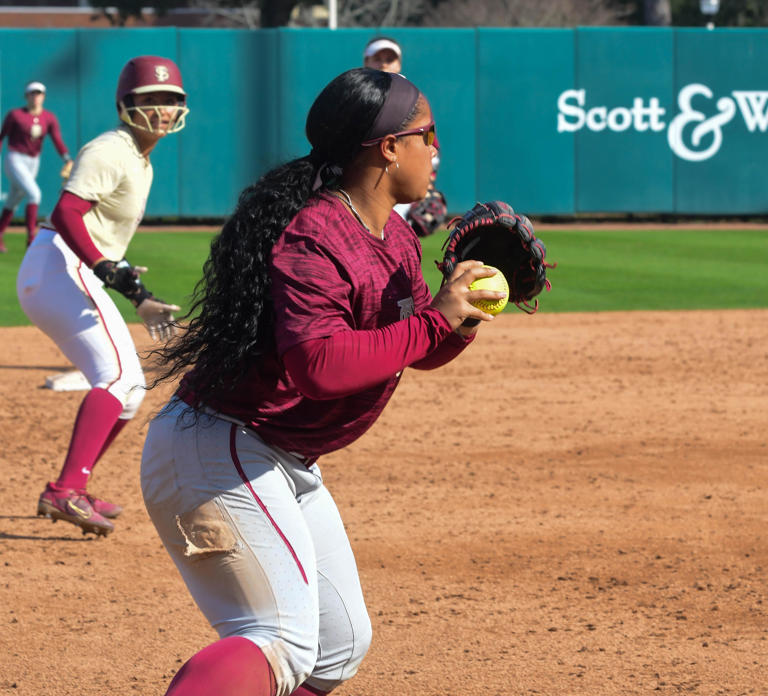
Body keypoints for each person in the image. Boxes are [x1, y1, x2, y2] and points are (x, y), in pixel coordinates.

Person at [140, 67, 506, 696]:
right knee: (281, 638)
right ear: (388, 148)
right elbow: (321, 367)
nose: (437, 150)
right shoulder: (314, 235)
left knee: (338, 647)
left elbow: (415, 348)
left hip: (278, 456)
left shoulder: (392, 234)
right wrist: (436, 318)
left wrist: (458, 319)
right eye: (428, 134)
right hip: (221, 448)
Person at [17, 56, 189, 537]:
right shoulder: (111, 149)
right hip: (58, 263)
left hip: (66, 267)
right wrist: (109, 269)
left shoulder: (139, 158)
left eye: (170, 99)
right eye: (149, 99)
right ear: (126, 105)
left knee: (130, 389)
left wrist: (132, 284)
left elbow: (99, 239)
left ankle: (75, 483)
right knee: (116, 377)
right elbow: (67, 212)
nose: (161, 108)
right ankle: (64, 491)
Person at [363, 36, 447, 236]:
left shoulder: (415, 99)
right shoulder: (356, 95)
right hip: (363, 182)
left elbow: (430, 138)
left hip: (399, 178)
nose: (383, 63)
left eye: (389, 58)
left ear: (399, 64)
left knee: (395, 243)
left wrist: (428, 177)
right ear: (366, 62)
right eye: (377, 58)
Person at [0, 81, 72, 252]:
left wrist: (67, 158)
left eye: (39, 93)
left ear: (43, 96)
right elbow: (2, 136)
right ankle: (31, 239)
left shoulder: (49, 117)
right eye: (32, 93)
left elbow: (57, 139)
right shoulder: (15, 115)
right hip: (15, 159)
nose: (36, 96)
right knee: (34, 194)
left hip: (34, 161)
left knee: (14, 199)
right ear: (26, 96)